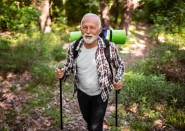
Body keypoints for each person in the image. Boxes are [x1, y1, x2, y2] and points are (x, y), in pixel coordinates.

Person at [55, 13, 125, 131]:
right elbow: (69, 66)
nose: (88, 31)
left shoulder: (109, 47)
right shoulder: (74, 47)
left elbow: (120, 65)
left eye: (92, 27)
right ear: (81, 29)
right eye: (85, 27)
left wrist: (118, 79)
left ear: (99, 30)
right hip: (82, 93)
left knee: (95, 125)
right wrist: (63, 72)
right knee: (88, 120)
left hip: (101, 94)